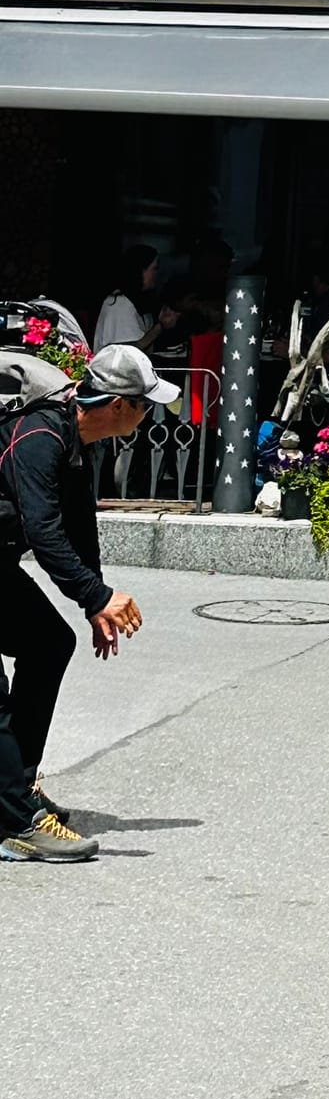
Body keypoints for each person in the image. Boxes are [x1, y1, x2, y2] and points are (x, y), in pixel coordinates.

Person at [1, 343, 173, 863]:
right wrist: (97, 597)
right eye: (147, 404)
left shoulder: (78, 441)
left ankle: (19, 785)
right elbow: (44, 529)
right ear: (119, 405)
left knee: (50, 644)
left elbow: (78, 526)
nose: (151, 414)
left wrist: (92, 603)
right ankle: (15, 823)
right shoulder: (40, 437)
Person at [91, 250, 159, 353]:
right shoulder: (118, 304)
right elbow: (127, 353)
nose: (157, 274)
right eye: (154, 269)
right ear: (141, 271)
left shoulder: (141, 301)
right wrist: (159, 327)